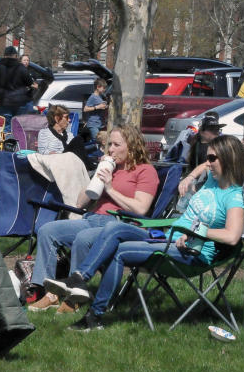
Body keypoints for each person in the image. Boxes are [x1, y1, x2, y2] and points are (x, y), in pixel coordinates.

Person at [59, 135, 244, 332]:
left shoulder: (233, 197)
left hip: (190, 252)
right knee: (114, 228)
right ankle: (80, 278)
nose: (207, 163)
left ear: (228, 159)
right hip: (169, 238)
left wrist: (195, 232)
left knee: (120, 251)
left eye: (212, 159)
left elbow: (232, 236)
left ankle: (94, 316)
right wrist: (191, 177)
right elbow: (202, 167)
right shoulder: (212, 181)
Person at [27, 125, 159, 312]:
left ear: (132, 145)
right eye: (109, 145)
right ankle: (49, 293)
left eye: (116, 145)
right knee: (47, 230)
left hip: (120, 225)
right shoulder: (110, 168)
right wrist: (97, 177)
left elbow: (141, 208)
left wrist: (110, 189)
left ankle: (74, 296)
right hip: (92, 218)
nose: (111, 149)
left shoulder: (145, 171)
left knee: (83, 238)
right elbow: (80, 203)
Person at [0, 45, 34, 131]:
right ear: (15, 56)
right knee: (18, 126)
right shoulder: (21, 67)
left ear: (4, 55)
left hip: (1, 102)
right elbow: (29, 82)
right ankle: (16, 141)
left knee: (4, 125)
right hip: (19, 102)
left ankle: (6, 141)